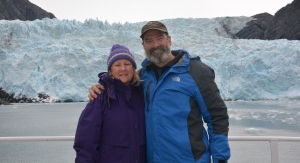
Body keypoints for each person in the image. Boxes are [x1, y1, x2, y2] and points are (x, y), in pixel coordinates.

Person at [89, 21, 231, 163]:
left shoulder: (196, 71)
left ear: (169, 40)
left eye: (160, 38)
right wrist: (102, 86)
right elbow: (121, 87)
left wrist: (220, 158)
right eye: (149, 41)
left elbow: (217, 117)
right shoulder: (143, 77)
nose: (155, 45)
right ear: (143, 46)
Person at [73, 44, 146, 163]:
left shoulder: (141, 94)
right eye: (117, 65)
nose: (123, 68)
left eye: (127, 64)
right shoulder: (100, 97)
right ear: (110, 71)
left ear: (133, 69)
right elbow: (86, 141)